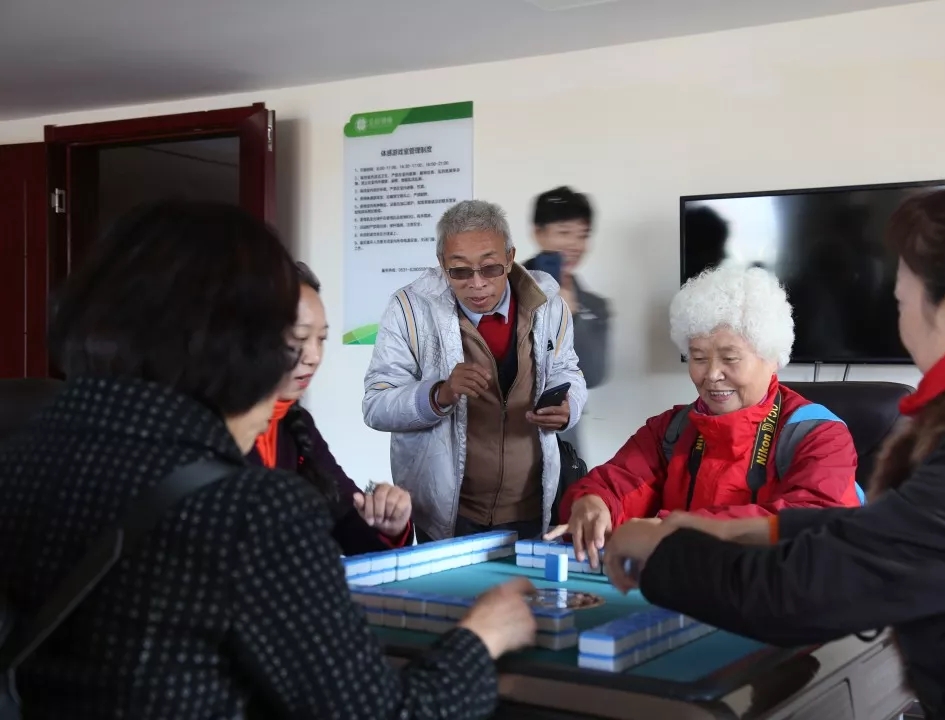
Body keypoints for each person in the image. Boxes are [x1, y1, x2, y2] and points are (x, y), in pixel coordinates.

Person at [0, 201, 536, 719]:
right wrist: (481, 636)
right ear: (229, 339)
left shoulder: (24, 454)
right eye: (286, 334)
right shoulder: (249, 508)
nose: (305, 357)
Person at [601, 175, 945, 719]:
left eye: (899, 302)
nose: (713, 374)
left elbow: (804, 592)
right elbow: (888, 534)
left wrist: (662, 553)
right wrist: (746, 529)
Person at [548, 264, 862, 566]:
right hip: (685, 590)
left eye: (730, 358)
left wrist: (675, 530)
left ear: (772, 358)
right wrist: (591, 503)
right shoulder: (670, 431)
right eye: (698, 358)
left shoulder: (819, 436)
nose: (711, 374)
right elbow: (616, 484)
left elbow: (811, 523)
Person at [364, 199, 587, 541]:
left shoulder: (548, 305)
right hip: (446, 514)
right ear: (442, 264)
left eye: (490, 268)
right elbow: (376, 405)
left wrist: (569, 406)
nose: (477, 283)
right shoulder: (409, 309)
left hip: (531, 507)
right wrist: (439, 394)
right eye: (460, 271)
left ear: (510, 258)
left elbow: (567, 369)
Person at [248, 261, 414, 556]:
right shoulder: (209, 430)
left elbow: (347, 518)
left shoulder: (296, 423)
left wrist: (390, 526)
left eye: (321, 339)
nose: (313, 356)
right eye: (299, 338)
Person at [525, 186, 610, 459]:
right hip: (502, 439)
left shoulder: (594, 305)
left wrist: (572, 317)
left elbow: (594, 375)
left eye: (582, 235)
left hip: (562, 443)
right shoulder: (502, 289)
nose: (574, 244)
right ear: (538, 233)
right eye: (564, 232)